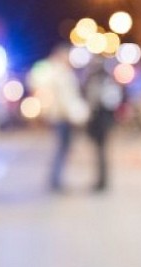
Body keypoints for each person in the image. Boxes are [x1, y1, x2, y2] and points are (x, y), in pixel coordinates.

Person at [42, 44, 89, 192]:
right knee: (62, 148)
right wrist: (74, 114)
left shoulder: (60, 72)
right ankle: (56, 180)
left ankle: (56, 178)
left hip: (62, 115)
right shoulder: (60, 74)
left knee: (63, 148)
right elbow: (65, 98)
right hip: (63, 116)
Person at [83, 59, 122, 192]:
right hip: (99, 120)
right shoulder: (100, 81)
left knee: (102, 151)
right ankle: (101, 179)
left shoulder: (104, 82)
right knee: (100, 151)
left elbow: (109, 101)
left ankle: (102, 180)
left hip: (101, 119)